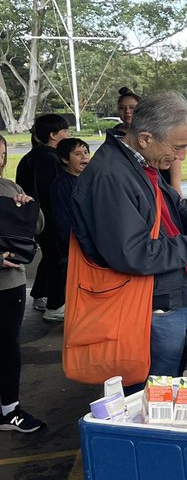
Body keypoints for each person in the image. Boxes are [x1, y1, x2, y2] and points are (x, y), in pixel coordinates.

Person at [72, 93, 187, 383]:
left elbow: (173, 208)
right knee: (156, 390)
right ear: (145, 138)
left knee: (169, 384)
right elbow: (133, 253)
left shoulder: (140, 165)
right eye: (178, 147)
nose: (182, 156)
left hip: (166, 297)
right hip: (149, 306)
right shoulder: (112, 177)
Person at [0, 133, 46, 433]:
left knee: (7, 346)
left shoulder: (10, 187)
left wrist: (28, 207)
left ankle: (9, 409)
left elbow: (38, 226)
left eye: (1, 152)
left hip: (10, 284)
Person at [16, 113, 69, 317]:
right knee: (58, 261)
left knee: (49, 257)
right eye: (65, 131)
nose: (68, 134)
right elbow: (49, 194)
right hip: (49, 219)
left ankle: (40, 294)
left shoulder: (32, 155)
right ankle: (55, 306)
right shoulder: (50, 158)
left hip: (36, 219)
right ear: (54, 135)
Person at [112, 87, 185, 196]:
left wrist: (176, 188)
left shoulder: (156, 130)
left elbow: (175, 157)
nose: (127, 111)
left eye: (132, 108)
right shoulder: (113, 135)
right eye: (122, 108)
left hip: (159, 184)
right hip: (132, 187)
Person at [49, 137, 90, 270]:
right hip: (74, 249)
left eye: (86, 152)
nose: (84, 156)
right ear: (65, 159)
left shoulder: (90, 179)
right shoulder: (61, 185)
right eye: (78, 154)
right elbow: (63, 221)